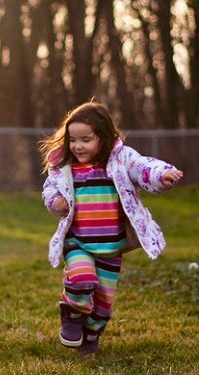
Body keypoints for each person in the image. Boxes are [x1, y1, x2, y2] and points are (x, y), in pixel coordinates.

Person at [39, 101, 184, 356]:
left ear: (104, 137)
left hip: (111, 246)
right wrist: (56, 201)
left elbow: (144, 167)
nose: (78, 146)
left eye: (86, 139)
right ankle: (72, 312)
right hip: (78, 241)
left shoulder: (120, 160)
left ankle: (91, 335)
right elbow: (50, 188)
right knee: (82, 278)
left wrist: (162, 175)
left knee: (103, 306)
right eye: (73, 140)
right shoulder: (65, 166)